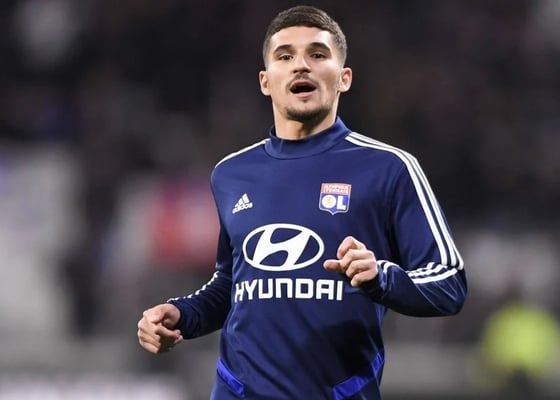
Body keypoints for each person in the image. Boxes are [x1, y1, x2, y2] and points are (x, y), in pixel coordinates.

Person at [137, 5, 467, 399]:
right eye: (285, 56)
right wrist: (183, 315)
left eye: (318, 54)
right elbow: (234, 283)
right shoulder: (231, 173)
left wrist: (382, 277)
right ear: (265, 81)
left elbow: (448, 283)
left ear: (344, 78)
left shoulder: (389, 168)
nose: (301, 65)